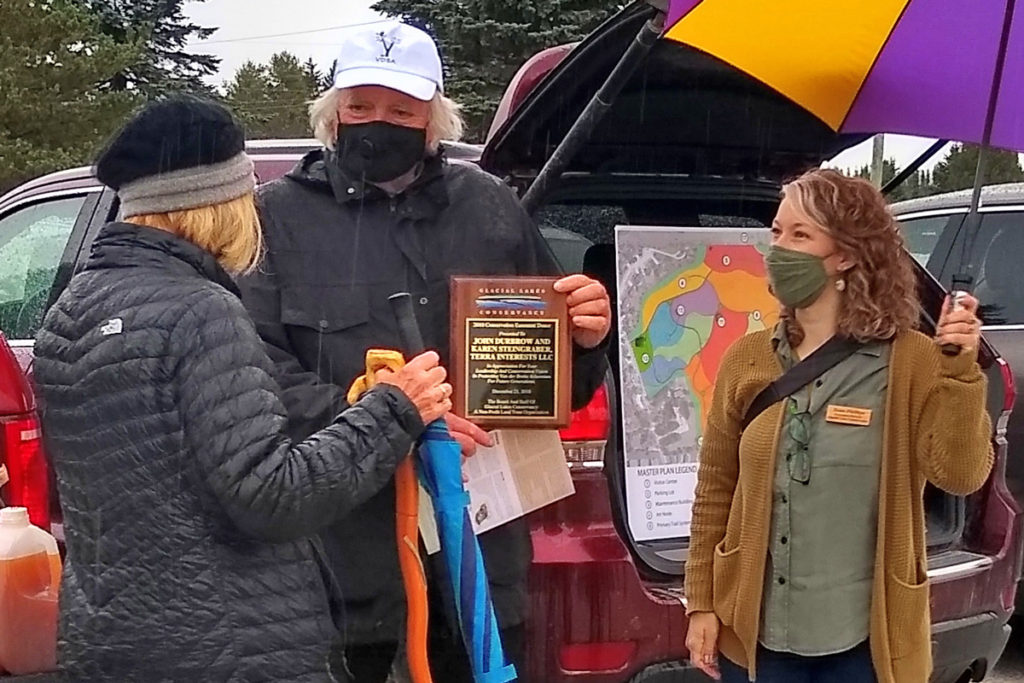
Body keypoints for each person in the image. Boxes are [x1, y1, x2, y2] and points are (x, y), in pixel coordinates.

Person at [32, 95, 455, 682]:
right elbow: (271, 496)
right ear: (216, 204)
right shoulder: (202, 311)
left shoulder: (68, 311)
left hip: (105, 640)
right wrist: (394, 410)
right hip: (228, 649)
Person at [237, 21, 612, 682]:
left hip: (480, 561)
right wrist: (388, 421)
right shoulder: (276, 219)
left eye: (401, 110)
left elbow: (555, 379)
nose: (378, 123)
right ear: (332, 113)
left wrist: (586, 339)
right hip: (342, 565)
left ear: (434, 119)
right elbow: (257, 373)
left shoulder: (491, 207)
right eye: (360, 107)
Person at [683, 168, 994, 683]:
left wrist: (960, 372)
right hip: (756, 639)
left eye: (800, 235)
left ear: (846, 255)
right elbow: (716, 486)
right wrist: (701, 602)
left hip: (864, 646)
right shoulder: (748, 358)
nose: (779, 248)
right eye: (777, 232)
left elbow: (961, 475)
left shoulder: (913, 361)